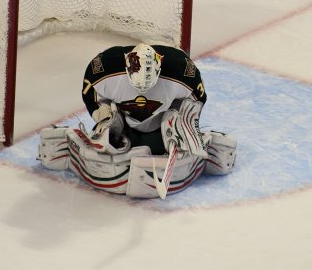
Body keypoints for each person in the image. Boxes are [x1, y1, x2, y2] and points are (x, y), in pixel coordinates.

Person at [37, 43, 236, 199]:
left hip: (159, 127)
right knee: (109, 144)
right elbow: (90, 93)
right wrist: (102, 114)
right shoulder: (105, 66)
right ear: (126, 66)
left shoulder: (181, 70)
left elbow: (197, 99)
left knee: (161, 146)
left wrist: (181, 119)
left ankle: (197, 145)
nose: (143, 92)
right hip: (124, 125)